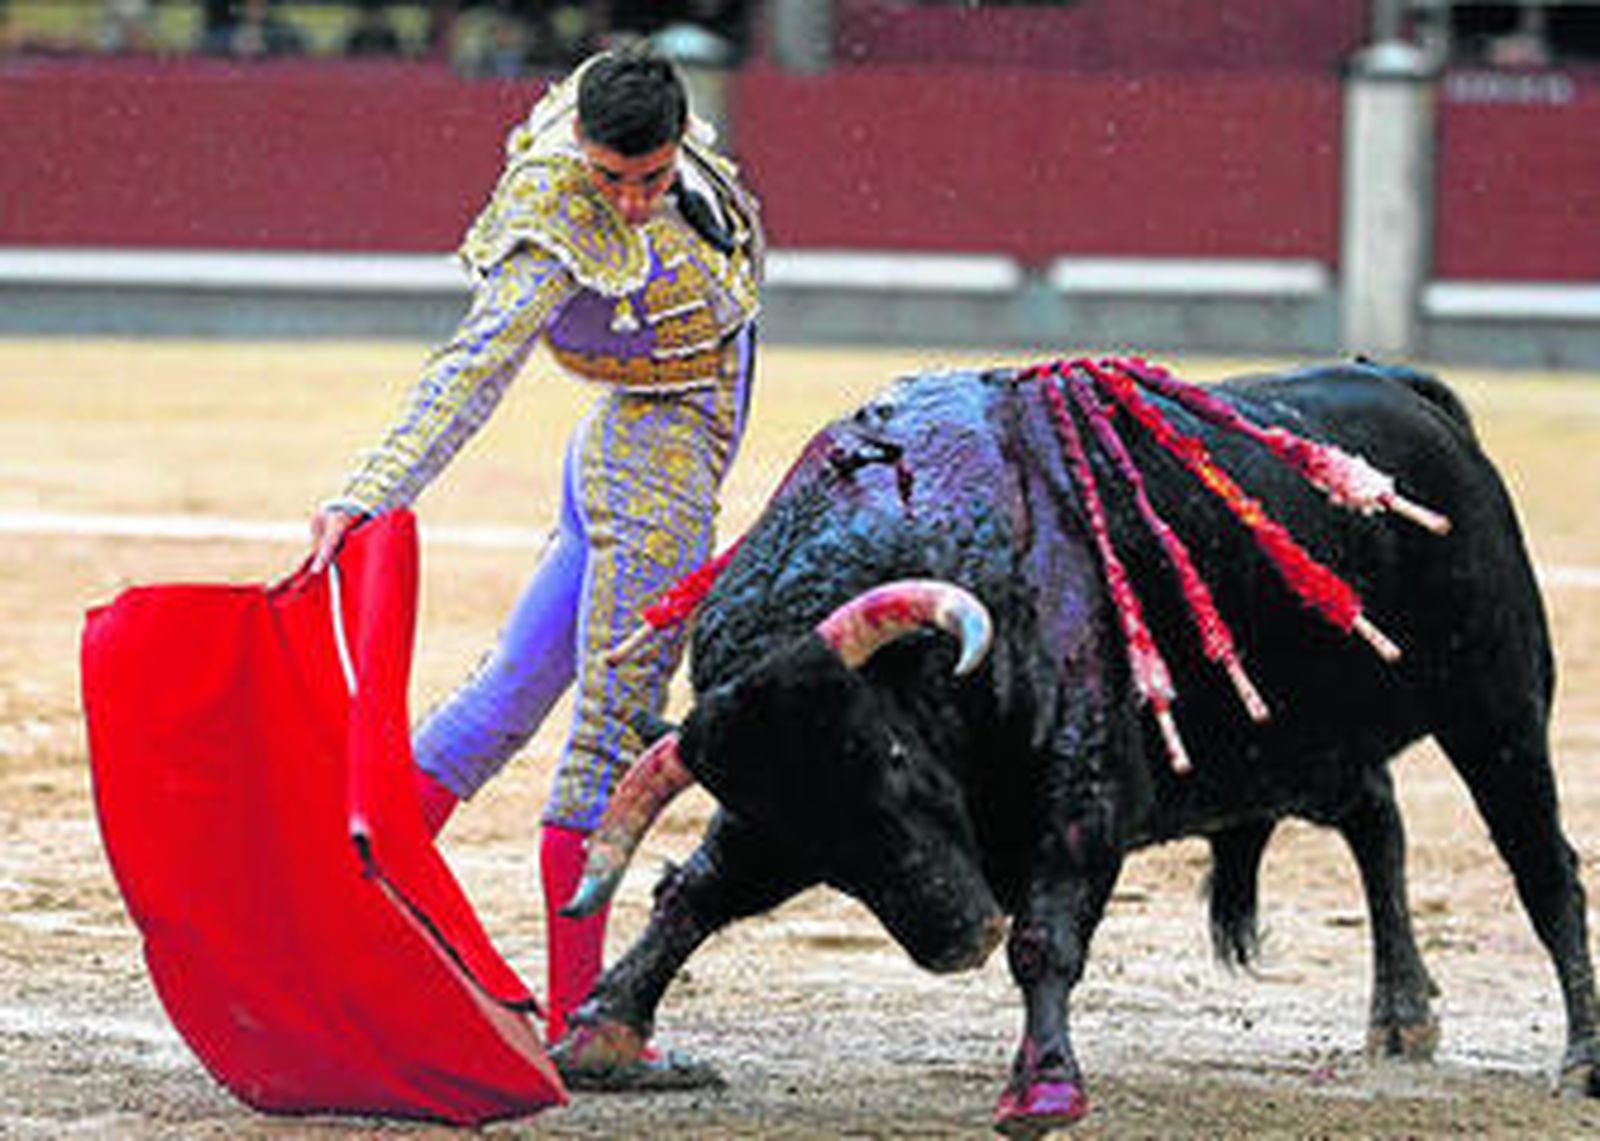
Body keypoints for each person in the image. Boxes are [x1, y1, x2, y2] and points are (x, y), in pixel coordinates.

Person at [307, 44, 762, 1084]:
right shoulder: (556, 216)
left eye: (650, 177)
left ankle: (342, 900)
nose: (634, 201)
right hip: (649, 466)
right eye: (612, 179)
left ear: (677, 139)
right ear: (582, 158)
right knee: (610, 736)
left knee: (510, 691)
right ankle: (589, 1022)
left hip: (632, 451)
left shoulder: (631, 105)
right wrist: (372, 488)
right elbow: (473, 364)